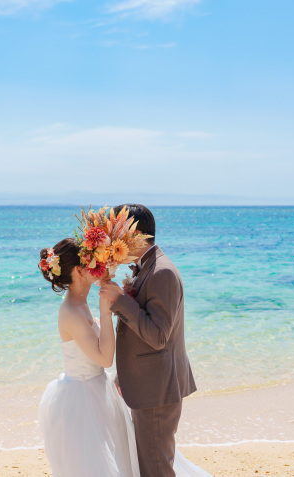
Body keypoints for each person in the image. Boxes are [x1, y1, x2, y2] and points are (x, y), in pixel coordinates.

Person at [38, 237, 210, 477]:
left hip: (99, 391)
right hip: (83, 399)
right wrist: (106, 312)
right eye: (94, 261)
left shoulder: (81, 304)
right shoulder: (71, 311)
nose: (101, 264)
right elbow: (105, 358)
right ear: (79, 271)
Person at [99, 204, 198, 477]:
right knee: (151, 465)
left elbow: (158, 336)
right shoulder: (147, 268)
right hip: (151, 385)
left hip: (157, 390)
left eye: (115, 233)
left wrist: (119, 301)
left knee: (155, 469)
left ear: (136, 234)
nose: (109, 241)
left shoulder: (161, 272)